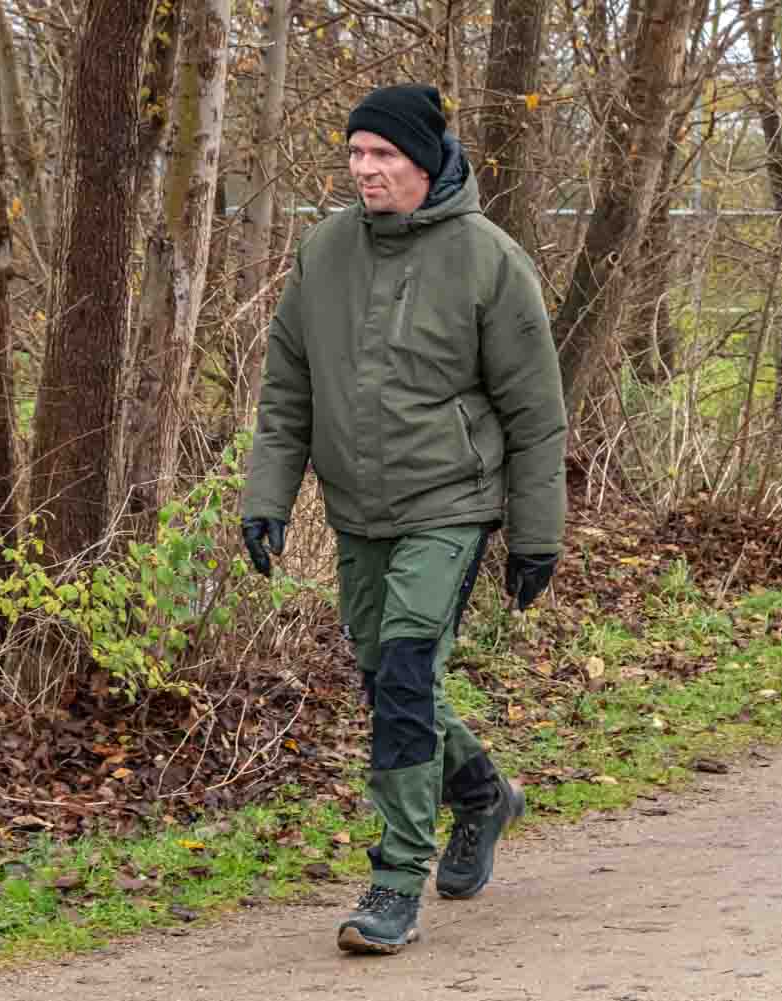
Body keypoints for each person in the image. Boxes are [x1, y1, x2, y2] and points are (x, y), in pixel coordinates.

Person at [239, 83, 567, 954]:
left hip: (450, 502)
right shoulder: (324, 251)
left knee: (408, 672)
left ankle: (395, 879)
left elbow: (536, 414)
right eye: (355, 153)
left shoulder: (489, 259)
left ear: (423, 161)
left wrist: (537, 533)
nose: (364, 168)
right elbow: (287, 391)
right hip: (357, 508)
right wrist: (267, 497)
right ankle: (482, 794)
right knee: (388, 676)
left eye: (382, 154)